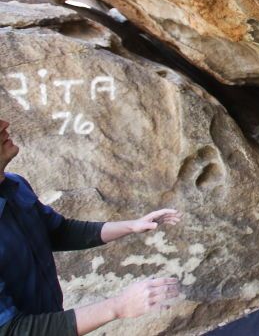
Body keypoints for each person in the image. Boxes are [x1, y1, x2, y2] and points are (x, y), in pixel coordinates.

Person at [0, 119, 182, 335]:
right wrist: (119, 306)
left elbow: (58, 232)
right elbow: (11, 330)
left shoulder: (15, 185)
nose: (5, 124)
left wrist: (132, 226)